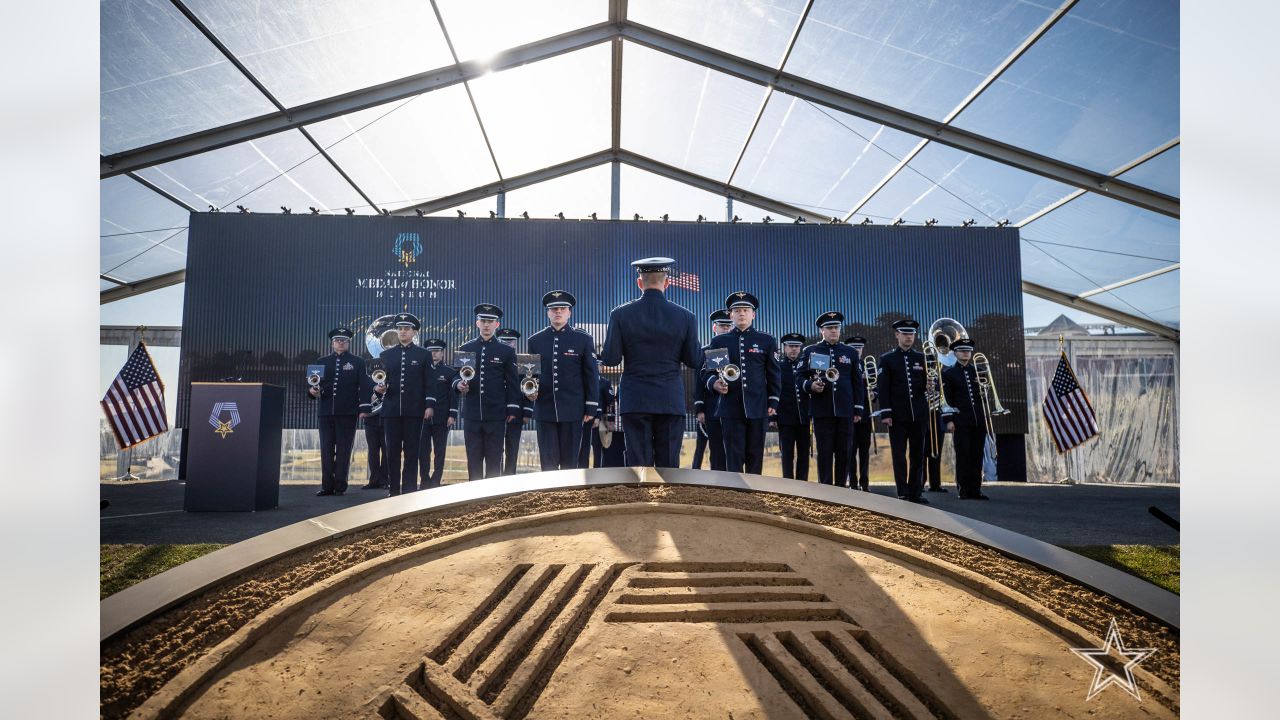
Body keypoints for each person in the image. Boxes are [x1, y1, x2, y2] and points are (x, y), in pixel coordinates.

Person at [599, 257, 702, 467]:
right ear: (667, 283)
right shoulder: (686, 317)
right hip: (670, 400)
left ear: (639, 283)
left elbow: (611, 358)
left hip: (635, 400)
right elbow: (693, 360)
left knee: (639, 467)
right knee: (668, 466)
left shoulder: (619, 315)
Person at [702, 292, 780, 474]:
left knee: (755, 457)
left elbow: (774, 374)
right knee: (733, 458)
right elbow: (709, 373)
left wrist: (773, 401)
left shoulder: (766, 340)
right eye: (737, 311)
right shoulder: (719, 341)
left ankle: (754, 499)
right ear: (731, 315)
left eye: (746, 310)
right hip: (730, 408)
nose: (742, 314)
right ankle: (735, 498)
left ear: (754, 314)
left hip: (758, 408)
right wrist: (714, 383)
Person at [527, 290, 600, 470]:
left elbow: (591, 375)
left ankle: (570, 498)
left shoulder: (583, 339)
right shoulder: (535, 340)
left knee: (570, 462)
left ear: (569, 313)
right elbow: (529, 375)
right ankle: (550, 497)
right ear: (548, 313)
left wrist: (591, 406)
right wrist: (529, 391)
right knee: (548, 462)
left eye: (562, 308)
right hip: (545, 408)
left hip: (573, 409)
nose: (558, 312)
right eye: (554, 309)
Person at [454, 304, 520, 479]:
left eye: (490, 321)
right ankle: (473, 500)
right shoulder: (466, 347)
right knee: (473, 459)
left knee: (494, 459)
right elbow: (455, 376)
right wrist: (458, 384)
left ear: (496, 325)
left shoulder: (506, 351)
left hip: (496, 414)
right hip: (472, 413)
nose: (486, 325)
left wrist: (513, 408)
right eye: (483, 320)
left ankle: (491, 501)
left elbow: (512, 382)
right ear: (477, 323)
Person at [371, 313, 433, 496]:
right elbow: (379, 381)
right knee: (392, 451)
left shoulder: (424, 355)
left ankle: (409, 490)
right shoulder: (386, 355)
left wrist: (429, 405)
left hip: (414, 411)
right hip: (390, 411)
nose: (403, 332)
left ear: (414, 332)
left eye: (407, 329)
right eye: (400, 329)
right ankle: (394, 490)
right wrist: (377, 390)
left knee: (412, 452)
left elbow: (429, 383)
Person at [800, 312, 865, 487]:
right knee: (825, 453)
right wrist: (810, 385)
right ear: (822, 330)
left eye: (836, 327)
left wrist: (858, 408)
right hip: (822, 411)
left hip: (845, 411)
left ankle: (841, 491)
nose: (834, 331)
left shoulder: (850, 352)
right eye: (829, 328)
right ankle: (826, 491)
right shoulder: (810, 351)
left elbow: (857, 382)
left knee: (845, 453)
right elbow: (799, 378)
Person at [308, 326, 368, 496]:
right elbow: (314, 385)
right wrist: (312, 392)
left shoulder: (357, 362)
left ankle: (340, 486)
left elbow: (363, 387)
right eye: (337, 340)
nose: (340, 343)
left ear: (348, 342)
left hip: (348, 412)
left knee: (344, 449)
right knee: (326, 449)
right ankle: (327, 486)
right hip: (326, 412)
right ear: (332, 343)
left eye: (344, 340)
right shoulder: (321, 361)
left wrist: (364, 408)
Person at [877, 319, 930, 504]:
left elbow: (926, 386)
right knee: (899, 454)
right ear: (897, 335)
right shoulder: (887, 359)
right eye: (905, 333)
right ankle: (902, 491)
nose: (909, 337)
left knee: (918, 454)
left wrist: (932, 385)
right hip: (897, 416)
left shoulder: (922, 358)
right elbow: (883, 389)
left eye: (912, 334)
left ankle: (916, 491)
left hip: (919, 413)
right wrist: (886, 413)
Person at [941, 338, 990, 500]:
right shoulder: (948, 373)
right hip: (960, 421)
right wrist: (948, 419)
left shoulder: (979, 370)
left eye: (968, 350)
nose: (966, 353)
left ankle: (976, 489)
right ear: (955, 353)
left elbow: (984, 399)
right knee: (963, 455)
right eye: (962, 350)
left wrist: (985, 394)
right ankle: (963, 489)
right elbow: (946, 400)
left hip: (978, 420)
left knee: (977, 455)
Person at [691, 309, 732, 470]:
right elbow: (698, 382)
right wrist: (699, 408)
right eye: (722, 326)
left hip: (733, 407)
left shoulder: (735, 349)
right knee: (715, 449)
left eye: (728, 326)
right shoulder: (705, 351)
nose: (726, 329)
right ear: (714, 328)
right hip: (712, 407)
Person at [417, 338, 456, 489]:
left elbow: (453, 396)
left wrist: (452, 415)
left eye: (437, 351)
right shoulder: (420, 371)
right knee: (423, 451)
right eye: (431, 351)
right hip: (423, 418)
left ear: (442, 353)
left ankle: (435, 480)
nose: (433, 354)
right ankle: (425, 480)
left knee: (440, 451)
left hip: (442, 417)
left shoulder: (449, 372)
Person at [496, 328, 533, 475]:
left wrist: (527, 411)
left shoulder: (525, 363)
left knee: (512, 447)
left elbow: (530, 386)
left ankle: (510, 477)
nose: (507, 344)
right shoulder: (493, 359)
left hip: (517, 411)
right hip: (496, 411)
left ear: (515, 344)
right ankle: (496, 477)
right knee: (496, 448)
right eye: (504, 341)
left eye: (510, 341)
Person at [775, 332, 811, 481]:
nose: (794, 349)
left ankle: (803, 485)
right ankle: (788, 486)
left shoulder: (807, 367)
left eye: (797, 346)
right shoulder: (778, 367)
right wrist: (773, 416)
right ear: (784, 348)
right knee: (787, 454)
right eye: (790, 346)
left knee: (804, 454)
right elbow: (773, 391)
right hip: (785, 419)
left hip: (804, 417)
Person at [845, 335, 874, 491]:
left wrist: (873, 393)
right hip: (850, 415)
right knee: (850, 450)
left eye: (859, 348)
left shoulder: (868, 366)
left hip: (865, 416)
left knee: (864, 452)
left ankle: (865, 483)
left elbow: (876, 388)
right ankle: (853, 483)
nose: (857, 351)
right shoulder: (846, 367)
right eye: (854, 348)